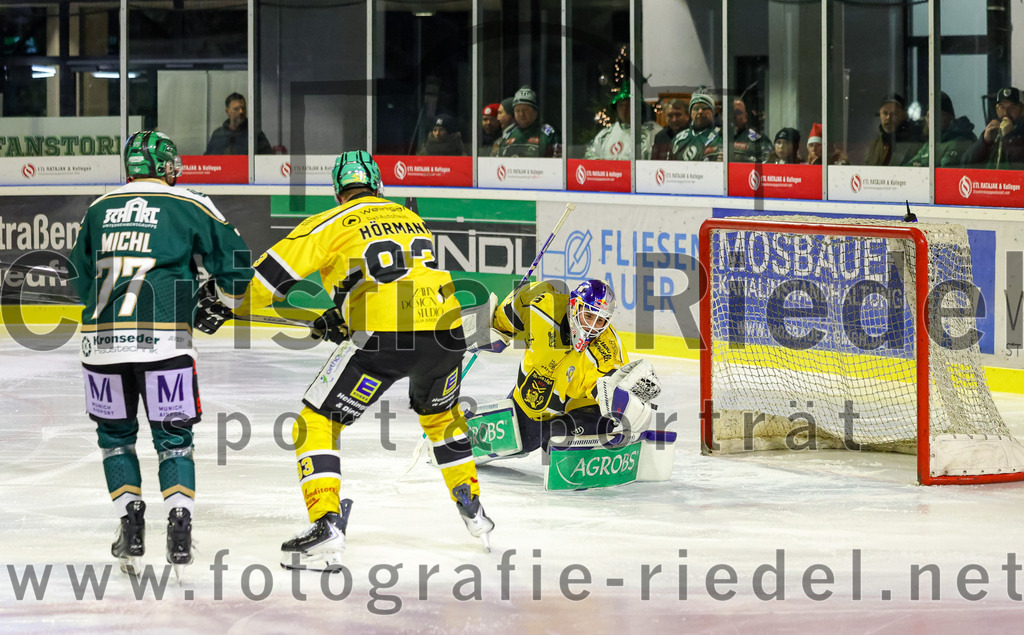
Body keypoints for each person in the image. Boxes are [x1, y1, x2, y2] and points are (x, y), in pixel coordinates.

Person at [234, 150, 493, 570]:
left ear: (339, 193)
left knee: (316, 422)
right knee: (441, 420)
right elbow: (397, 277)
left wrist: (228, 304)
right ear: (378, 185)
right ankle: (474, 510)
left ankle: (326, 527)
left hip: (384, 336)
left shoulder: (331, 221)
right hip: (446, 332)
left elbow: (266, 280)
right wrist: (337, 316)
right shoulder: (409, 217)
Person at [68, 131, 253, 577]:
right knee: (174, 441)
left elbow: (78, 281)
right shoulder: (189, 202)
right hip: (165, 343)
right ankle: (179, 524)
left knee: (115, 441)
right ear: (168, 167)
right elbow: (238, 263)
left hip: (101, 346)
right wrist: (221, 303)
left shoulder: (99, 208)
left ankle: (130, 526)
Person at [465, 280, 659, 460]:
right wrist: (489, 328)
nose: (592, 327)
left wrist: (625, 411)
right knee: (523, 439)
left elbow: (608, 387)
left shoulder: (606, 350)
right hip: (527, 404)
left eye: (600, 321)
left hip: (576, 412)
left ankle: (587, 443)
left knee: (558, 437)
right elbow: (507, 313)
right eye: (589, 315)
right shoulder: (541, 304)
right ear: (574, 305)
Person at [584, 86, 661, 160]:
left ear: (639, 107)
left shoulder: (653, 132)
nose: (625, 109)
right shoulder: (606, 135)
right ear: (616, 108)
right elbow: (590, 156)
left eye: (629, 104)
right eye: (621, 105)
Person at [905, 92, 976, 167]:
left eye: (937, 115)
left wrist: (921, 166)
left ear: (950, 117)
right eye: (929, 116)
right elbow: (908, 168)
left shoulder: (960, 141)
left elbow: (944, 170)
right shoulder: (929, 144)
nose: (932, 119)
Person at [962, 87, 1024, 169]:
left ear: (1022, 110)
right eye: (1002, 107)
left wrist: (1008, 137)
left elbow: (1019, 163)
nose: (1006, 113)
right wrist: (985, 141)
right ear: (997, 110)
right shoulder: (994, 132)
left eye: (1012, 108)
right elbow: (965, 163)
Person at [497, 85, 562, 158]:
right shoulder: (508, 135)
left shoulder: (549, 134)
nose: (521, 114)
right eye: (517, 110)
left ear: (535, 112)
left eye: (526, 110)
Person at [865, 93, 925, 166]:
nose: (888, 118)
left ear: (904, 115)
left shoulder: (914, 144)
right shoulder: (875, 145)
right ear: (879, 114)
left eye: (893, 114)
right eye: (885, 113)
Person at [205, 93, 273, 155]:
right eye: (236, 109)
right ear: (227, 111)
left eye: (243, 108)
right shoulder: (218, 135)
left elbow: (267, 160)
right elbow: (207, 161)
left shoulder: (255, 134)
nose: (241, 111)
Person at [669, 90, 723, 161]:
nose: (700, 111)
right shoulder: (679, 139)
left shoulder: (721, 136)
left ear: (712, 112)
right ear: (690, 113)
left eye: (704, 108)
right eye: (696, 108)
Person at [730, 97, 770, 163]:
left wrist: (742, 160)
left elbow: (767, 163)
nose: (733, 116)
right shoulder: (713, 138)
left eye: (738, 112)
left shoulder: (757, 139)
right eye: (730, 112)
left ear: (745, 117)